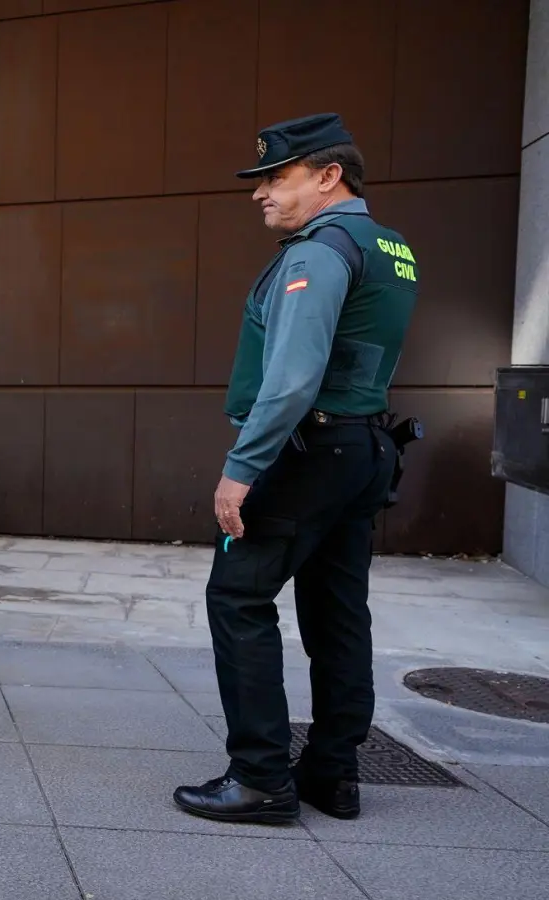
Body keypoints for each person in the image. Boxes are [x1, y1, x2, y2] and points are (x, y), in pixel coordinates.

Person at [172, 113, 419, 824]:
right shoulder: (391, 247)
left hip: (306, 452)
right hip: (364, 448)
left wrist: (241, 467)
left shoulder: (317, 253)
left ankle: (259, 779)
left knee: (238, 597)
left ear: (328, 175)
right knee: (338, 613)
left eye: (276, 178)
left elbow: (291, 379)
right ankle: (332, 774)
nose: (261, 194)